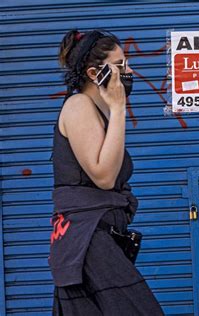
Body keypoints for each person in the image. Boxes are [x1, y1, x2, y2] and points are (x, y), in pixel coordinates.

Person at [49, 29, 164, 315]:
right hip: (87, 242)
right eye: (121, 64)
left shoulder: (99, 112)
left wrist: (115, 110)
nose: (130, 70)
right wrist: (119, 106)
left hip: (96, 240)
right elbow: (103, 176)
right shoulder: (78, 106)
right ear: (93, 72)